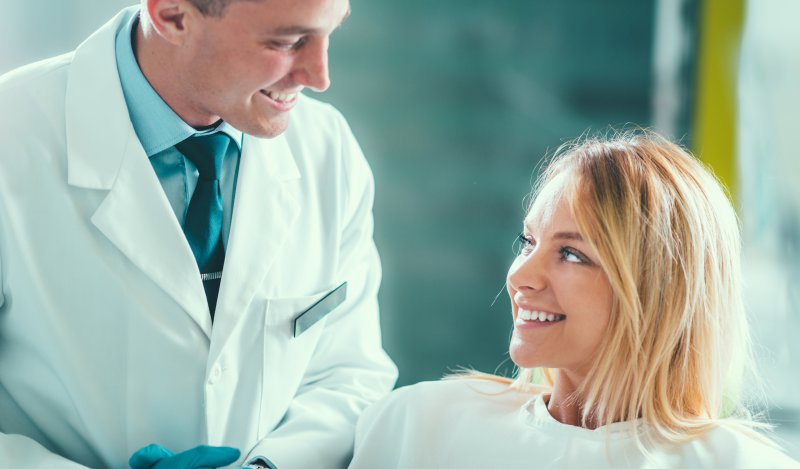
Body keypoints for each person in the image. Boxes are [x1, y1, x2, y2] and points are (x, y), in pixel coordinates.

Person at [0, 0, 397, 467]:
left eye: (331, 32)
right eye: (288, 42)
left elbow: (348, 373)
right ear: (173, 16)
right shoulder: (13, 139)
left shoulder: (328, 149)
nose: (319, 75)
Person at [348, 131, 800, 468]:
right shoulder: (416, 426)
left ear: (655, 287)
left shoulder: (737, 463)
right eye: (527, 242)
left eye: (570, 253)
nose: (521, 275)